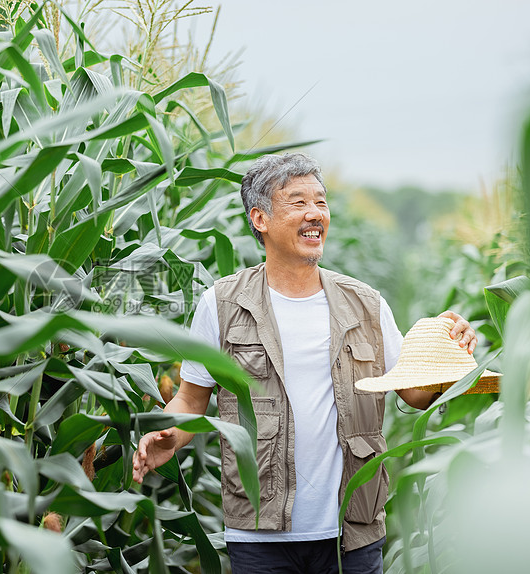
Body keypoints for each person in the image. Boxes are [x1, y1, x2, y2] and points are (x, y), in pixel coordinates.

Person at [131, 153, 477, 574]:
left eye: (321, 203)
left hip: (352, 531)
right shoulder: (221, 305)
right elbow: (190, 400)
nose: (315, 214)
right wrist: (168, 436)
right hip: (259, 532)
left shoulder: (365, 304)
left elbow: (413, 392)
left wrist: (446, 356)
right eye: (298, 203)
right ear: (260, 218)